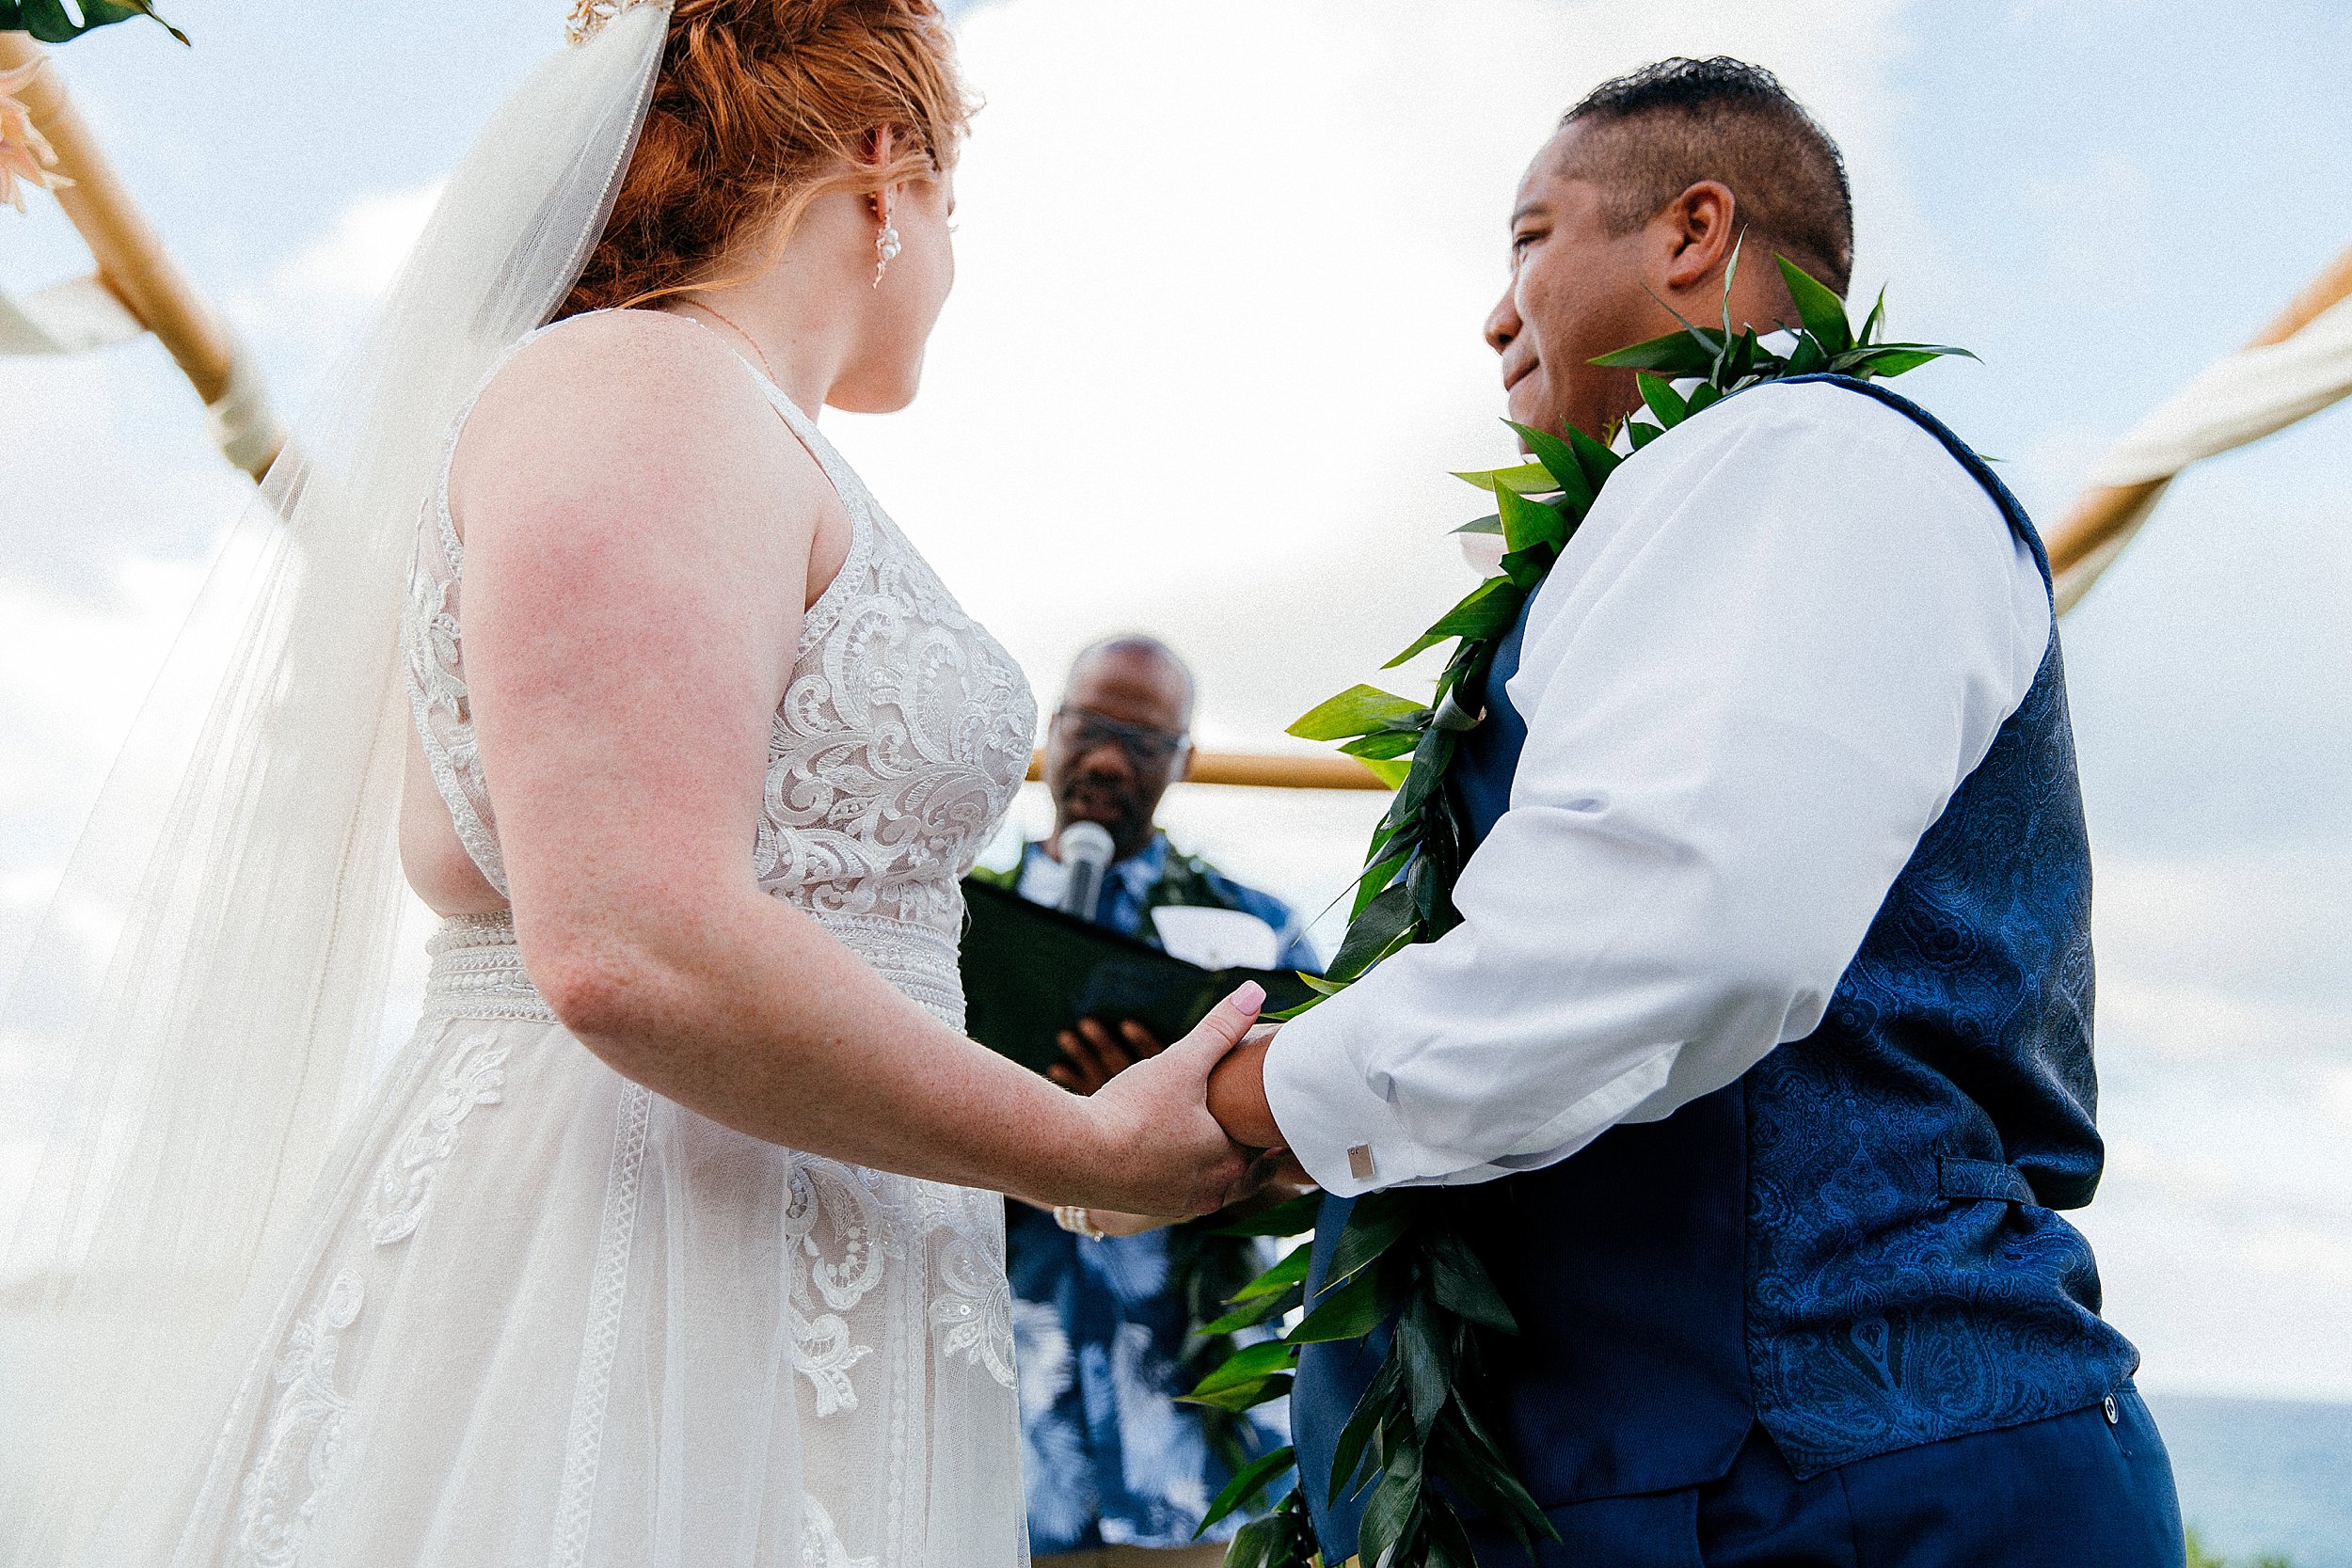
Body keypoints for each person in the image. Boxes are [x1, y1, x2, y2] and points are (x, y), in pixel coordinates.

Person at [0, 3, 1270, 1564]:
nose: (953, 260)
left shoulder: (663, 409)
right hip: (637, 1265)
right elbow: (625, 941)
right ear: (889, 169)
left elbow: (485, 865)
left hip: (738, 1240)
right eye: (960, 208)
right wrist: (1086, 1153)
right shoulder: (644, 390)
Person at [1207, 56, 2188, 1568]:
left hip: (1857, 1503)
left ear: (1692, 234)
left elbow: (1674, 924)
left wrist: (1255, 1101)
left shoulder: (1804, 451)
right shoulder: (1688, 512)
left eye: (1530, 240)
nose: (1494, 309)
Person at [970, 636, 1309, 1564]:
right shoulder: (955, 921)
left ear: (1185, 760)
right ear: (1053, 726)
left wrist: (1184, 1128)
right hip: (1000, 1420)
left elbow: (1318, 1163)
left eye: (1143, 739)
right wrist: (1037, 1125)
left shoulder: (1259, 930)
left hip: (1189, 1426)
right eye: (1091, 727)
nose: (1110, 759)